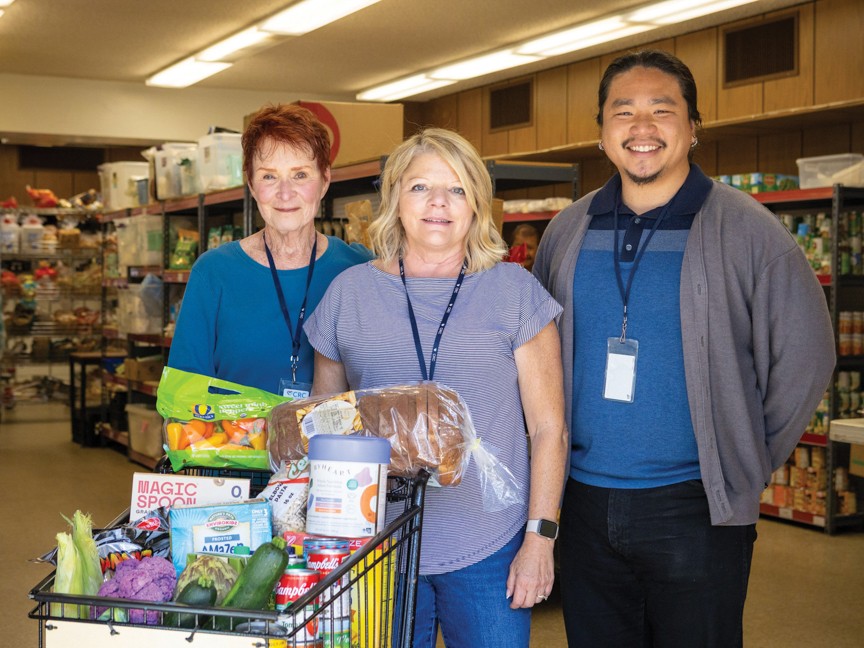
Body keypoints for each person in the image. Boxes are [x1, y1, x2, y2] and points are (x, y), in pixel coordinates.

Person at [533, 50, 835, 648]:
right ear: (601, 132)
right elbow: (537, 357)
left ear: (694, 127)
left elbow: (806, 359)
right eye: (623, 111)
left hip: (696, 508)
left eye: (661, 110)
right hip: (585, 505)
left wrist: (739, 459)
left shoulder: (747, 230)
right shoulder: (567, 231)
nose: (641, 128)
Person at [305, 128, 568, 647]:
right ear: (395, 199)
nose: (438, 204)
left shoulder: (514, 291)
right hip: (375, 546)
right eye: (421, 187)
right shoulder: (348, 294)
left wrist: (540, 539)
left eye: (457, 188)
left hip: (491, 545)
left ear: (477, 203)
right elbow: (324, 428)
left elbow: (549, 429)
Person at [167, 104, 372, 395]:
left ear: (325, 180)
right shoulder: (214, 273)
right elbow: (183, 396)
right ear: (251, 184)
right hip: (233, 441)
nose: (285, 193)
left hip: (326, 442)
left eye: (300, 175)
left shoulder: (357, 269)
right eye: (268, 176)